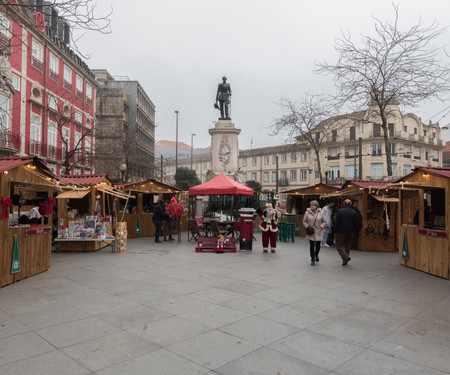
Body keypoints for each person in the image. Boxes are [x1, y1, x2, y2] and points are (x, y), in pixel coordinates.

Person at [334, 199, 358, 265]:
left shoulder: (340, 211)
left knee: (338, 245)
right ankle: (345, 260)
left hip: (340, 231)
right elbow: (356, 223)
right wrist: (353, 230)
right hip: (350, 232)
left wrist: (335, 230)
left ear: (344, 204)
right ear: (350, 204)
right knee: (347, 246)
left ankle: (345, 257)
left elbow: (337, 222)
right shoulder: (354, 212)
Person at [302, 200, 326, 266]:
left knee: (318, 245)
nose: (311, 206)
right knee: (312, 245)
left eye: (313, 205)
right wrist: (307, 226)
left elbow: (324, 221)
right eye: (311, 205)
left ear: (316, 206)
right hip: (311, 230)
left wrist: (321, 226)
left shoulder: (320, 212)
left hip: (318, 230)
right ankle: (312, 259)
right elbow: (304, 221)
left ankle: (316, 255)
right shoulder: (307, 212)